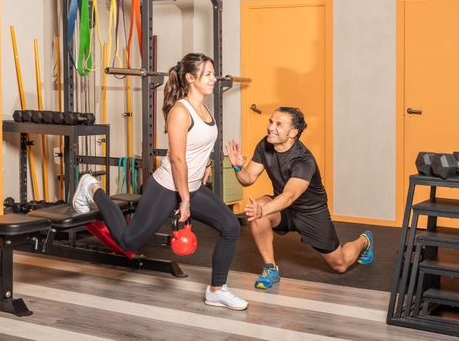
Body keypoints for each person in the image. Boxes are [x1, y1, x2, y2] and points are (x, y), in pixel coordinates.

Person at [72, 53, 248, 310]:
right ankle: (92, 187)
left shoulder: (205, 107)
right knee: (128, 241)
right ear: (190, 78)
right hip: (166, 187)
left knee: (231, 227)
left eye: (213, 73)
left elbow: (200, 146)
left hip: (192, 186)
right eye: (208, 74)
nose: (214, 78)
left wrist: (207, 167)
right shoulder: (180, 111)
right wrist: (185, 201)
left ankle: (217, 289)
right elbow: (177, 159)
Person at [225, 107, 373, 290]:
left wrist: (263, 210)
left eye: (278, 124)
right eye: (271, 121)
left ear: (293, 132)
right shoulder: (265, 145)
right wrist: (238, 168)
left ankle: (364, 241)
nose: (271, 127)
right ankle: (270, 268)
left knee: (340, 264)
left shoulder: (303, 160)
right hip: (284, 208)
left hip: (310, 211)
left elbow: (290, 195)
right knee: (257, 210)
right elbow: (247, 179)